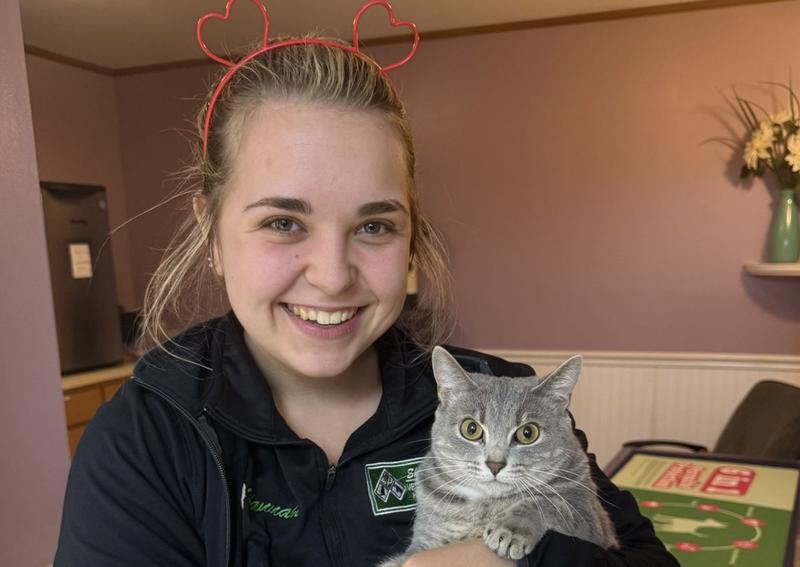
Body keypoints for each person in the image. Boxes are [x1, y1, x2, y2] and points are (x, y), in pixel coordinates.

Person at [54, 4, 679, 566]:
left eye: (374, 225)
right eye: (282, 221)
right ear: (212, 234)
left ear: (411, 241)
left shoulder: (503, 393)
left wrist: (512, 561)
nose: (331, 276)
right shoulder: (145, 442)